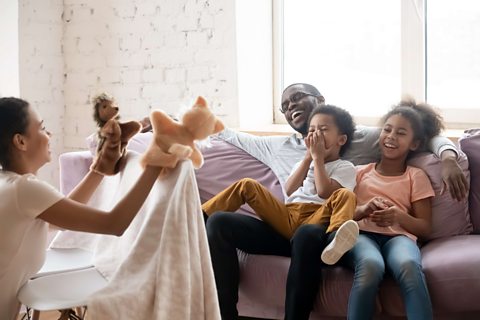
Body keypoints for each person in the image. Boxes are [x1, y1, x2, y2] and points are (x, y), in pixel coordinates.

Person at [204, 83, 468, 320]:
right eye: (284, 105)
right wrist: (191, 120)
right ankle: (221, 303)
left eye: (297, 98)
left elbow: (417, 129)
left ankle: (338, 238)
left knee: (321, 222)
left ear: (319, 99)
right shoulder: (278, 147)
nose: (291, 106)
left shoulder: (358, 143)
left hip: (319, 226)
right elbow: (231, 137)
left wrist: (447, 157)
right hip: (287, 220)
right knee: (219, 222)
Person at [0, 97, 162, 320]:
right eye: (42, 128)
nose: (49, 135)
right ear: (20, 141)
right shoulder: (25, 190)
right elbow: (114, 224)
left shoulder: (10, 185)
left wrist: (99, 169)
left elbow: (59, 218)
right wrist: (155, 163)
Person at [203, 105, 359, 264]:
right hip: (288, 216)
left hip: (316, 218)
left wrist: (318, 159)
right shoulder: (302, 162)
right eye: (312, 130)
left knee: (346, 195)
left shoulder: (345, 167)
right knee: (247, 185)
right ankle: (200, 219)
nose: (316, 135)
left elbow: (324, 192)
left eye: (323, 129)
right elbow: (289, 190)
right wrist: (307, 158)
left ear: (341, 139)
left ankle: (335, 241)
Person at [343, 100, 441, 319]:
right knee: (370, 265)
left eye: (401, 133)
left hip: (399, 238)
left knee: (408, 265)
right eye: (387, 129)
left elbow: (425, 227)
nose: (391, 136)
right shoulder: (359, 173)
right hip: (360, 234)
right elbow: (339, 216)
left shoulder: (415, 176)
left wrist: (398, 215)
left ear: (414, 144)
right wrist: (363, 209)